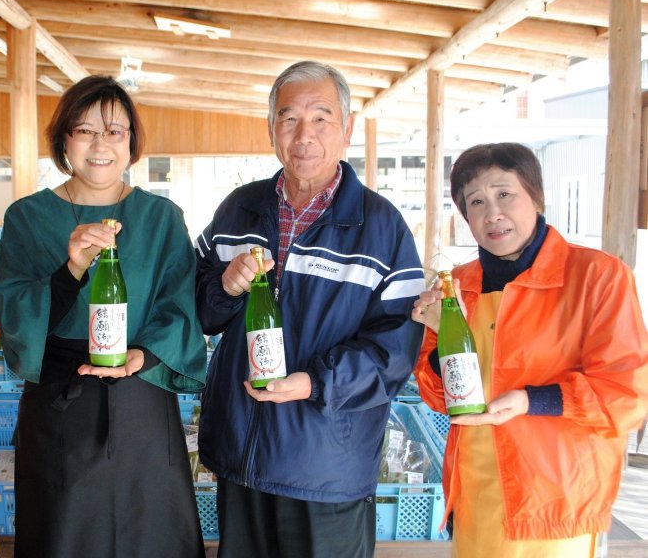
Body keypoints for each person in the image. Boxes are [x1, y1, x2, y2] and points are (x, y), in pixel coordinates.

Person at [194, 60, 426, 557]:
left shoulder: (382, 227)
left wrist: (315, 382)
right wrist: (225, 288)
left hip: (326, 468)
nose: (304, 134)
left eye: (321, 117)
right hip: (243, 457)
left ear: (346, 129)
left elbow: (395, 347)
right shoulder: (239, 209)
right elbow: (198, 307)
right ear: (271, 129)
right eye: (289, 118)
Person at [0, 75, 207, 557]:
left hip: (142, 399)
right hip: (61, 401)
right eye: (85, 130)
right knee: (64, 533)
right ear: (64, 139)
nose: (100, 144)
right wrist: (71, 269)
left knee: (150, 532)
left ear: (131, 142)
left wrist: (142, 356)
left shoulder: (161, 217)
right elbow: (11, 307)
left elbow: (179, 306)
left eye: (115, 132)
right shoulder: (28, 217)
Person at [411, 142, 648, 557]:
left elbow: (627, 395)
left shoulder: (597, 277)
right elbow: (436, 396)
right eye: (476, 202)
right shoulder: (457, 285)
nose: (492, 213)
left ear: (535, 197)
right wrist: (435, 346)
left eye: (505, 194)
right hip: (476, 494)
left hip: (554, 500)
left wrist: (531, 400)